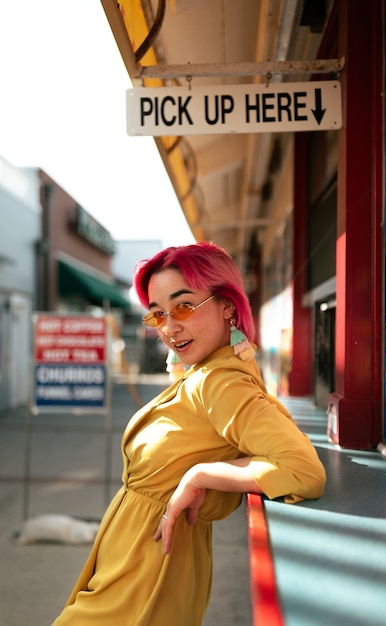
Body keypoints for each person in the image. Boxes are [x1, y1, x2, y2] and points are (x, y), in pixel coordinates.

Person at [51, 241, 326, 626]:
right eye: (157, 315)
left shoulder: (220, 383)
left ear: (227, 305)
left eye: (183, 306)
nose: (169, 327)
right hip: (133, 560)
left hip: (147, 573)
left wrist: (200, 475)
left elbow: (303, 471)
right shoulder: (207, 372)